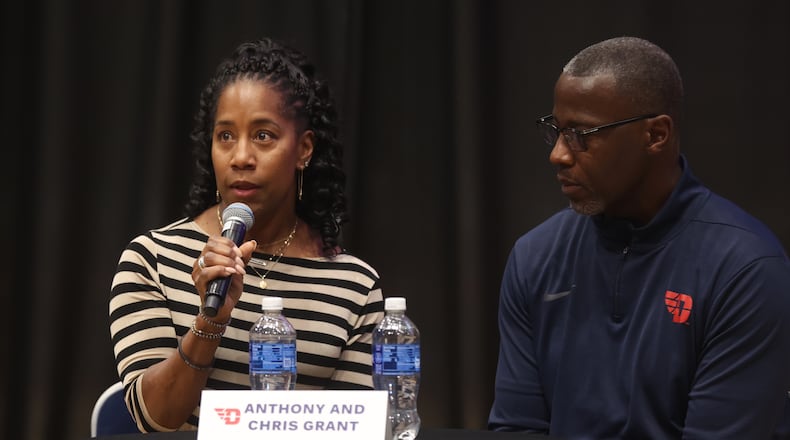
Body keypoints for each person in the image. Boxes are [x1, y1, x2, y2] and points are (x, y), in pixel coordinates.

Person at [488, 36, 790, 438]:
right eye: (556, 131)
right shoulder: (535, 256)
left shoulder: (746, 269)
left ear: (656, 135)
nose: (558, 155)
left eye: (582, 134)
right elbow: (517, 426)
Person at [109, 38, 384, 432]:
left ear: (304, 148)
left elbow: (358, 429)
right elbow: (155, 416)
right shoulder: (151, 259)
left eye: (263, 136)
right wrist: (210, 322)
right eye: (225, 136)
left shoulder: (354, 286)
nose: (240, 157)